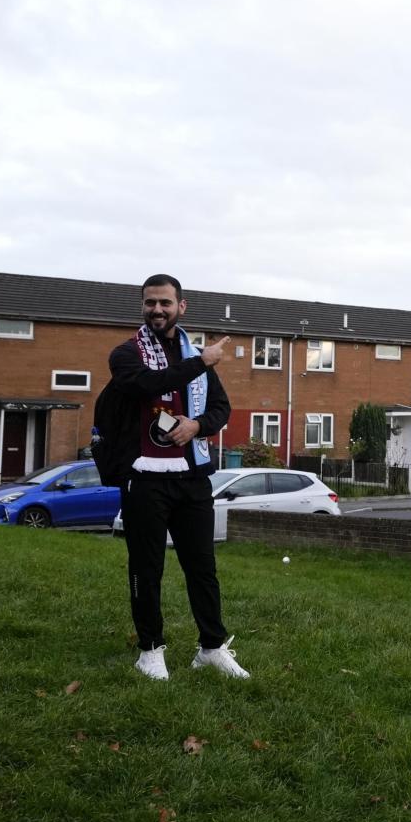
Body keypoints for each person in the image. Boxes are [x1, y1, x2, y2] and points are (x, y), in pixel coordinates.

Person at [110, 274, 248, 679]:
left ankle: (211, 647)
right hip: (144, 477)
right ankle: (150, 650)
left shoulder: (194, 356)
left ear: (180, 307)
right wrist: (201, 362)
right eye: (150, 302)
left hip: (192, 476)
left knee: (202, 566)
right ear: (143, 306)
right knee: (146, 567)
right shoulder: (126, 354)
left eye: (165, 303)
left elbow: (222, 409)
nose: (157, 309)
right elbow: (148, 385)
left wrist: (198, 426)